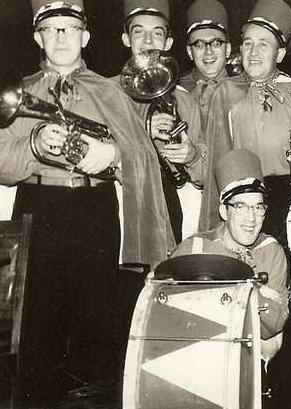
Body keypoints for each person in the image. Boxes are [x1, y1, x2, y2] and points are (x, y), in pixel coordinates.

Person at [0, 0, 174, 405]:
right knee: (35, 325)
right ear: (37, 37)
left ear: (86, 37)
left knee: (95, 323)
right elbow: (3, 164)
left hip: (94, 209)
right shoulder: (19, 92)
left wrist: (111, 156)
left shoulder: (111, 91)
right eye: (52, 29)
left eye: (71, 28)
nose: (61, 36)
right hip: (38, 208)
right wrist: (34, 145)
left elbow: (142, 157)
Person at [170, 148, 289, 404]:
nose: (251, 218)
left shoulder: (271, 251)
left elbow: (274, 323)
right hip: (193, 364)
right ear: (224, 211)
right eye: (241, 206)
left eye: (258, 207)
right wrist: (255, 293)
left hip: (247, 368)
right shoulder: (195, 248)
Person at [200, 0, 291, 241]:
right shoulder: (225, 93)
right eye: (248, 43)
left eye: (263, 45)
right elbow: (216, 158)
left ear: (280, 54)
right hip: (244, 200)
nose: (253, 53)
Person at [120, 0, 206, 242]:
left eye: (157, 33)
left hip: (170, 201)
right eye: (139, 32)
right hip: (120, 199)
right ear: (126, 39)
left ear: (168, 43)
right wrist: (142, 130)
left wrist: (192, 156)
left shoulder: (184, 99)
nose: (148, 41)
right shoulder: (106, 91)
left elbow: (204, 171)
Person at [179, 0, 231, 130]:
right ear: (190, 52)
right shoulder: (177, 94)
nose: (208, 52)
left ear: (228, 49)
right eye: (199, 45)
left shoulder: (245, 90)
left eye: (216, 43)